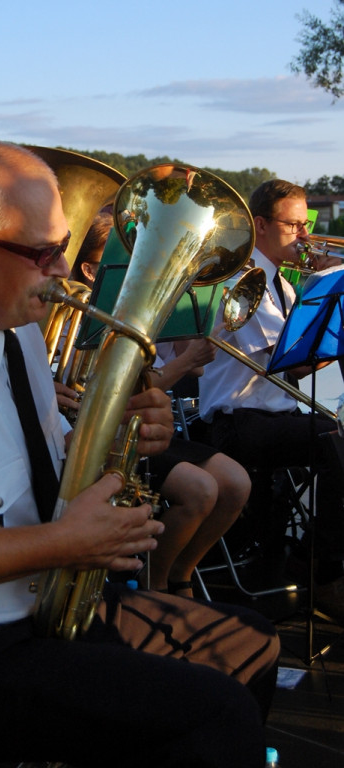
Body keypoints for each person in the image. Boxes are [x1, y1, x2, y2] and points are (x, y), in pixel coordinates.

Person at [0, 142, 279, 768]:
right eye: (44, 253)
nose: (64, 268)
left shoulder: (15, 336)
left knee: (253, 644)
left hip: (36, 617)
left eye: (64, 246)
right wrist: (65, 544)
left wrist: (117, 438)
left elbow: (39, 471)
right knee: (214, 711)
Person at [68, 209, 251, 596]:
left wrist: (191, 302)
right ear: (89, 270)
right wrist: (187, 361)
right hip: (101, 431)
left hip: (144, 427)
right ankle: (158, 586)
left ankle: (181, 573)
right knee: (200, 490)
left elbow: (193, 373)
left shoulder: (135, 308)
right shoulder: (78, 315)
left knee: (235, 483)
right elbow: (115, 394)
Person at [199, 178, 344, 624]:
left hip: (270, 417)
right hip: (239, 422)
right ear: (260, 224)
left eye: (307, 224)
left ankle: (312, 557)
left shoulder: (284, 284)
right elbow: (294, 366)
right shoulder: (248, 281)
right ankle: (318, 564)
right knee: (334, 440)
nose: (304, 236)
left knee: (332, 434)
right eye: (293, 225)